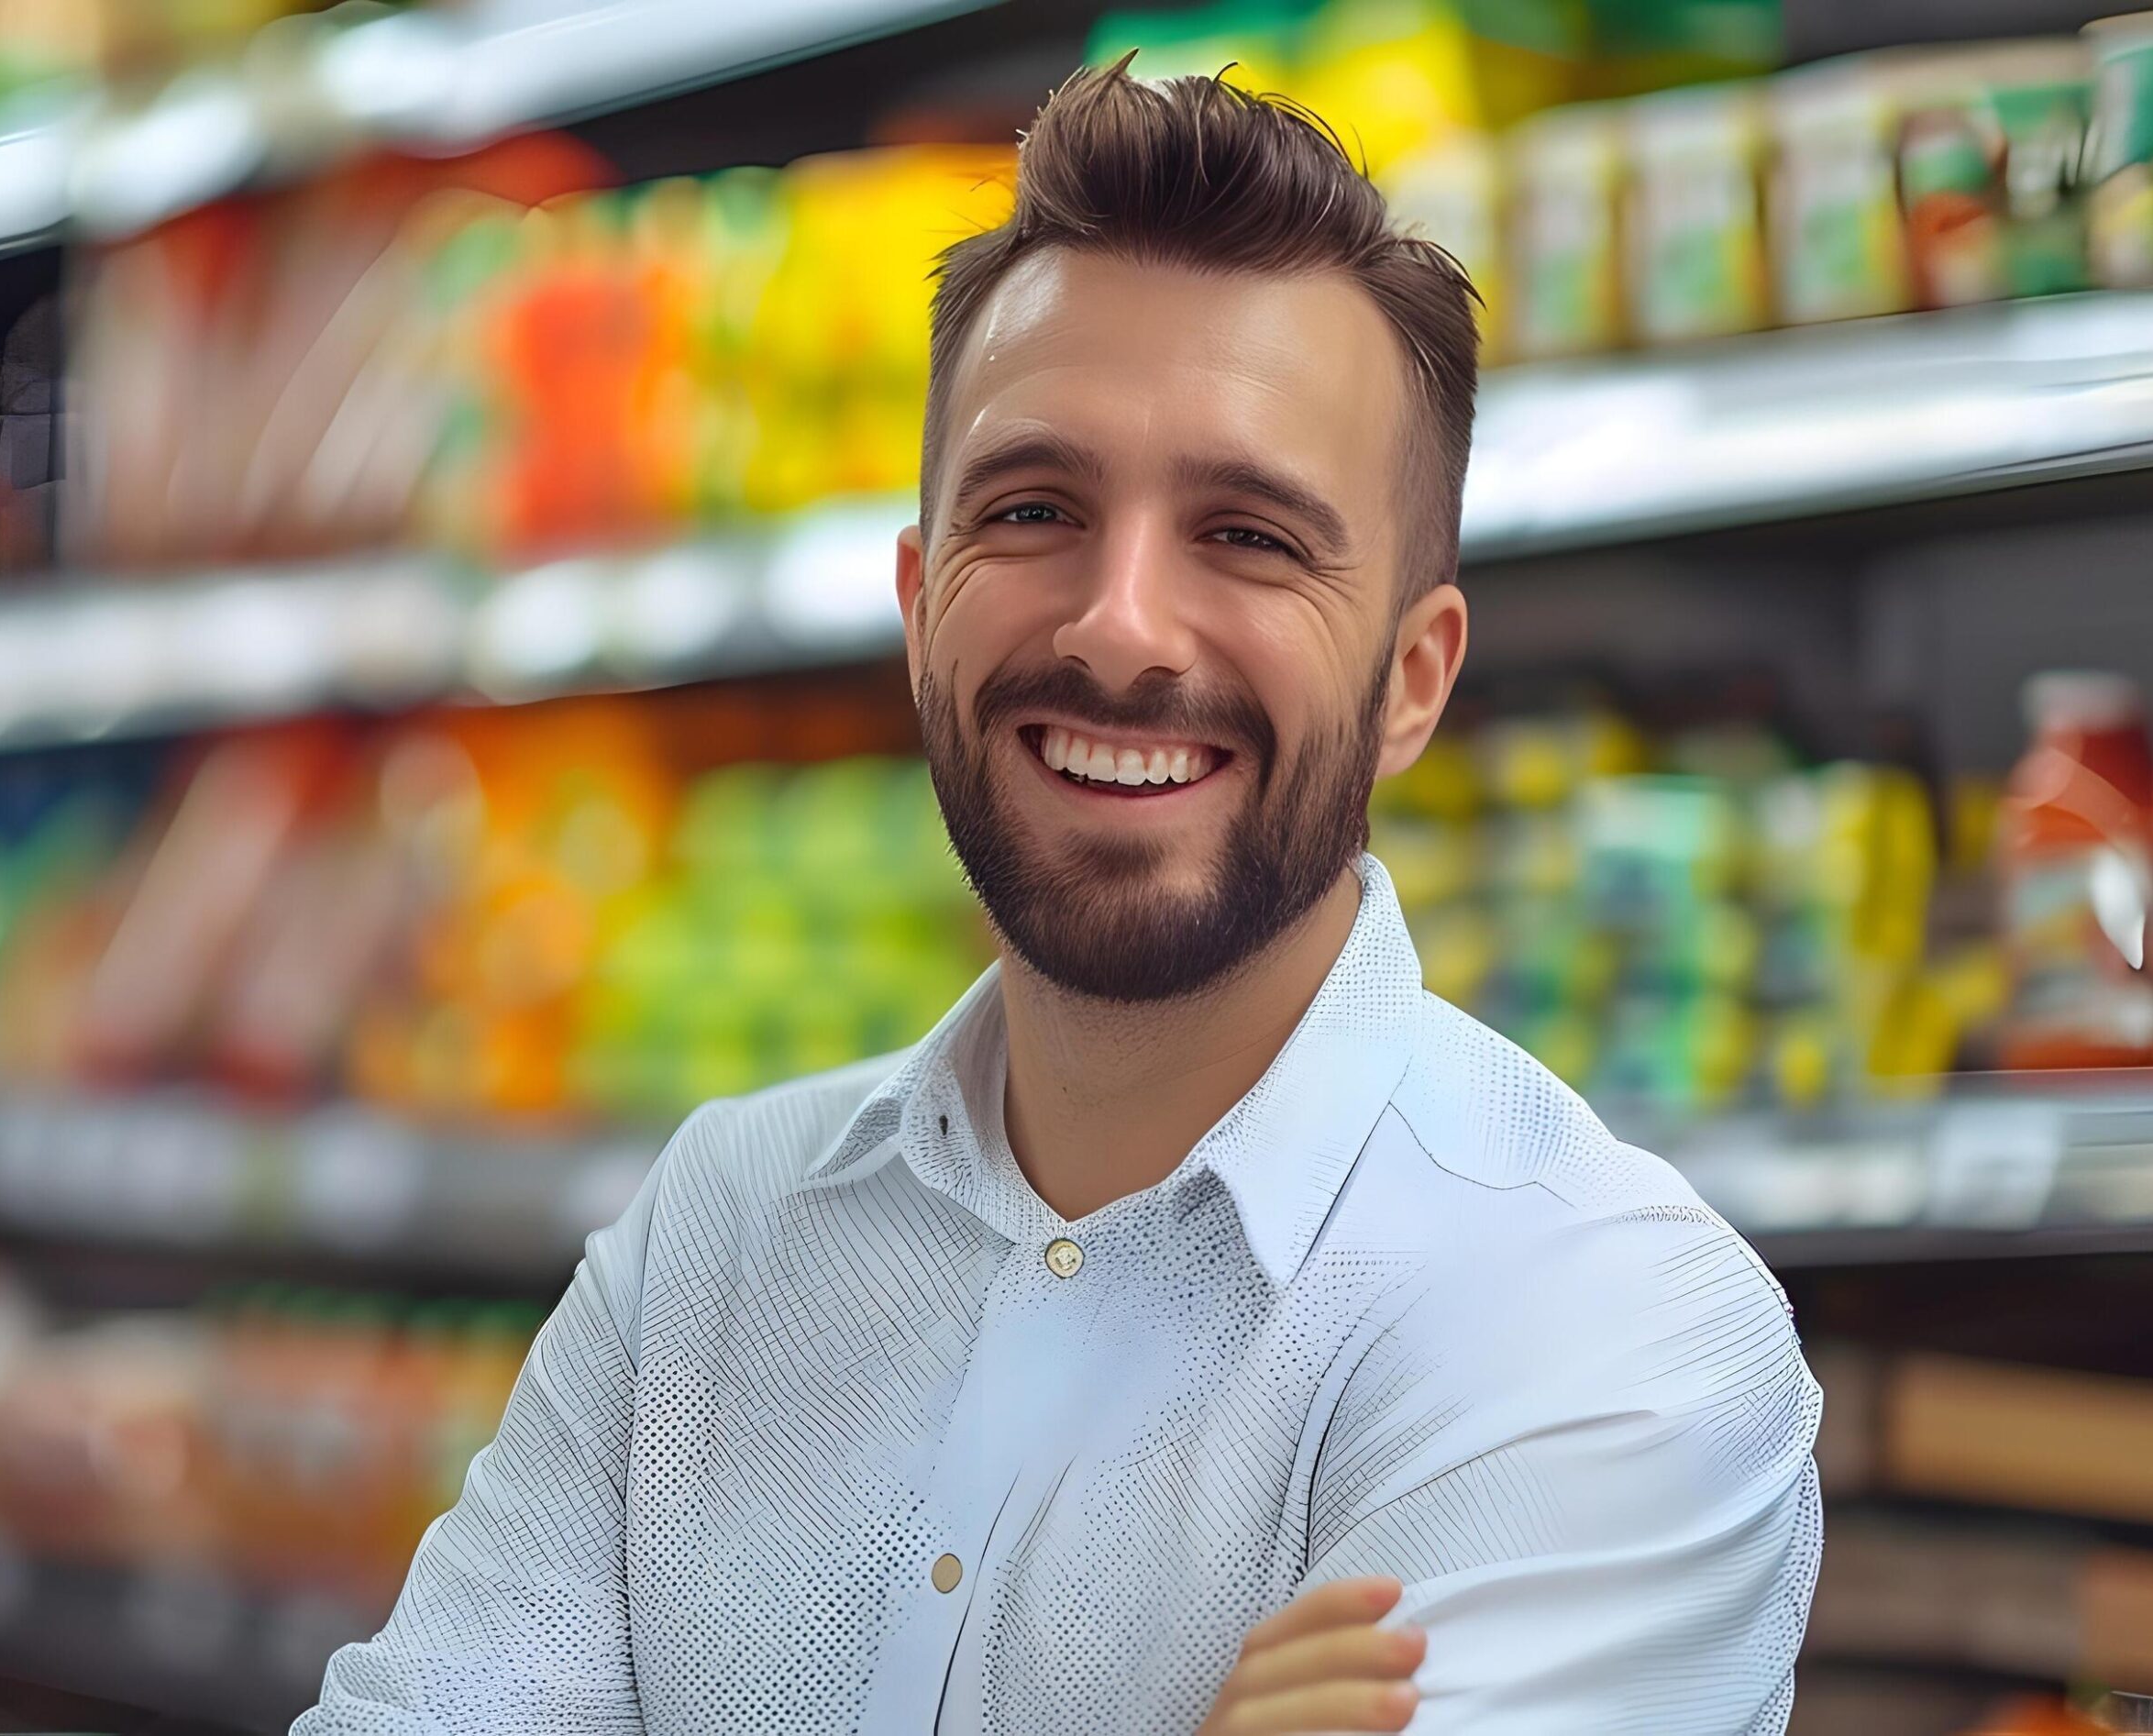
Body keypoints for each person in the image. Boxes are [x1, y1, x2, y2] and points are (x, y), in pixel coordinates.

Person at [293, 58, 1822, 1736]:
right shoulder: (716, 1238)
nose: (1119, 627)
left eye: (1247, 536)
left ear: (1413, 677)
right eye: (1034, 510)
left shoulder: (1602, 1326)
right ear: (919, 599)